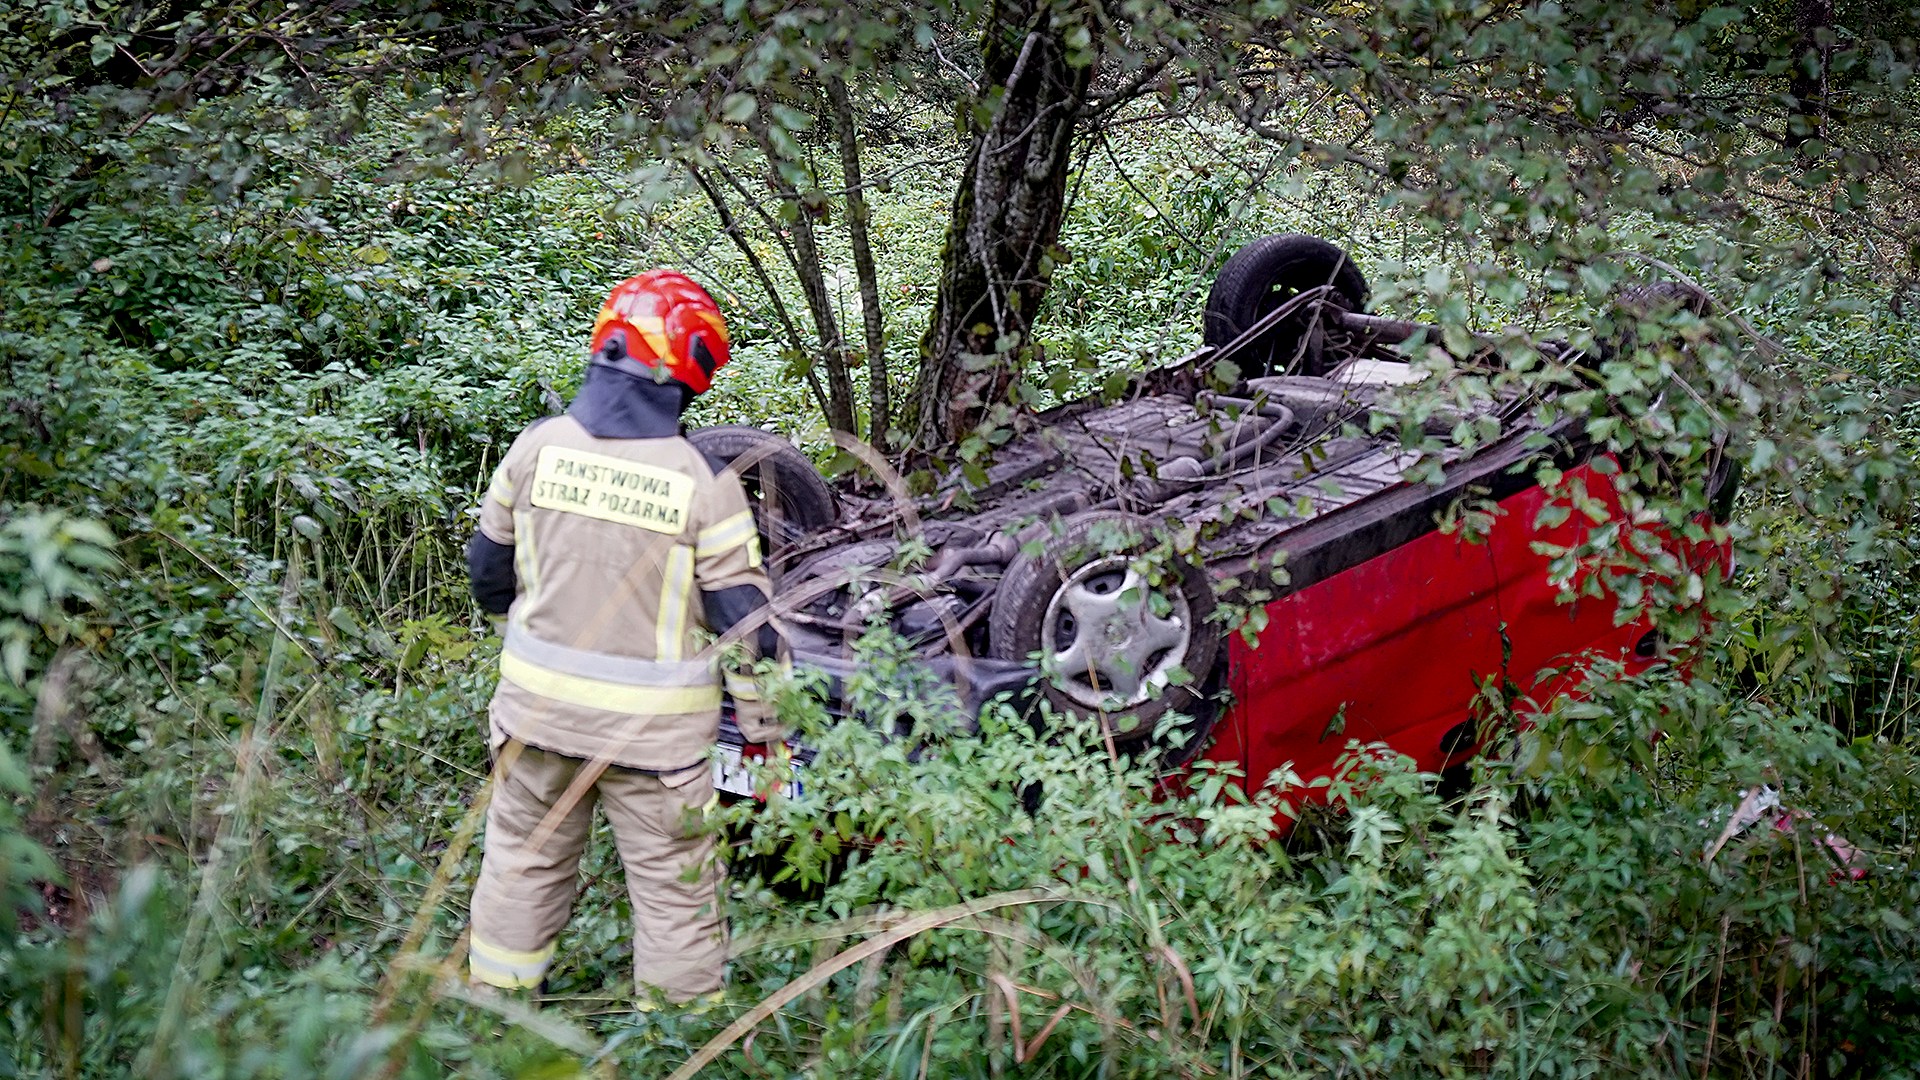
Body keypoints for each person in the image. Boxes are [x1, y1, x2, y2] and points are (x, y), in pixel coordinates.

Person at [463, 270, 787, 1002]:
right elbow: (747, 629)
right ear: (690, 371)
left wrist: (529, 649)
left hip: (534, 721)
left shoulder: (535, 448)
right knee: (676, 894)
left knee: (521, 862)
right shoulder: (704, 483)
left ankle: (495, 1010)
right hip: (655, 747)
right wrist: (764, 732)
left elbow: (488, 574)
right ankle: (676, 1036)